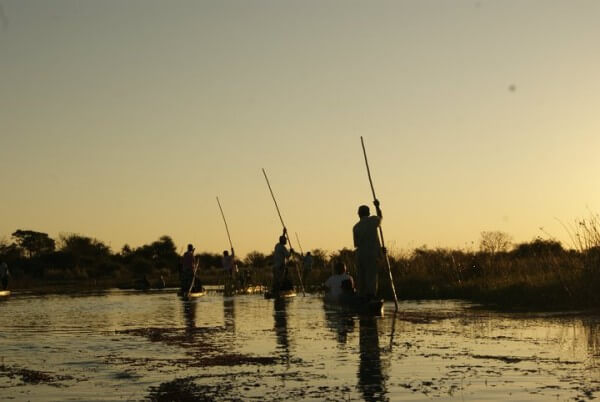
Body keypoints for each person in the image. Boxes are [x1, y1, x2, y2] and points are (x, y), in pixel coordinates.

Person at [353, 200, 383, 300]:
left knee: (361, 276)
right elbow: (380, 217)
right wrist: (377, 207)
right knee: (371, 276)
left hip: (360, 254)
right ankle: (371, 296)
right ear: (369, 213)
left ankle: (362, 296)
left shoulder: (356, 227)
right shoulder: (373, 220)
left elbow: (356, 244)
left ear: (359, 214)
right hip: (372, 254)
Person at [272, 228, 295, 294]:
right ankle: (277, 292)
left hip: (275, 267)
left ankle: (275, 291)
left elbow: (281, 239)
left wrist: (284, 233)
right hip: (280, 267)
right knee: (279, 280)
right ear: (283, 241)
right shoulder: (282, 247)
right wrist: (291, 252)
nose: (286, 241)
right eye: (285, 240)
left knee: (276, 280)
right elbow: (287, 256)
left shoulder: (277, 245)